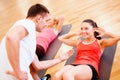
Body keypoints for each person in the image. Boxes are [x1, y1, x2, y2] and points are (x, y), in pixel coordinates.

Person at [52, 19, 120, 80]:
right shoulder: (78, 43)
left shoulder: (101, 43)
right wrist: (75, 33)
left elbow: (118, 37)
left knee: (67, 74)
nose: (83, 31)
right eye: (82, 29)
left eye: (86, 28)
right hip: (75, 65)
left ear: (94, 29)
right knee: (56, 76)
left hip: (89, 66)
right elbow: (61, 38)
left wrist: (105, 33)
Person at [0, 3, 52, 80]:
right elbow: (11, 37)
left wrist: (60, 59)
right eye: (46, 21)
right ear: (39, 19)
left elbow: (37, 65)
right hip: (16, 76)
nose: (47, 24)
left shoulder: (24, 28)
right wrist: (17, 72)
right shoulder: (29, 24)